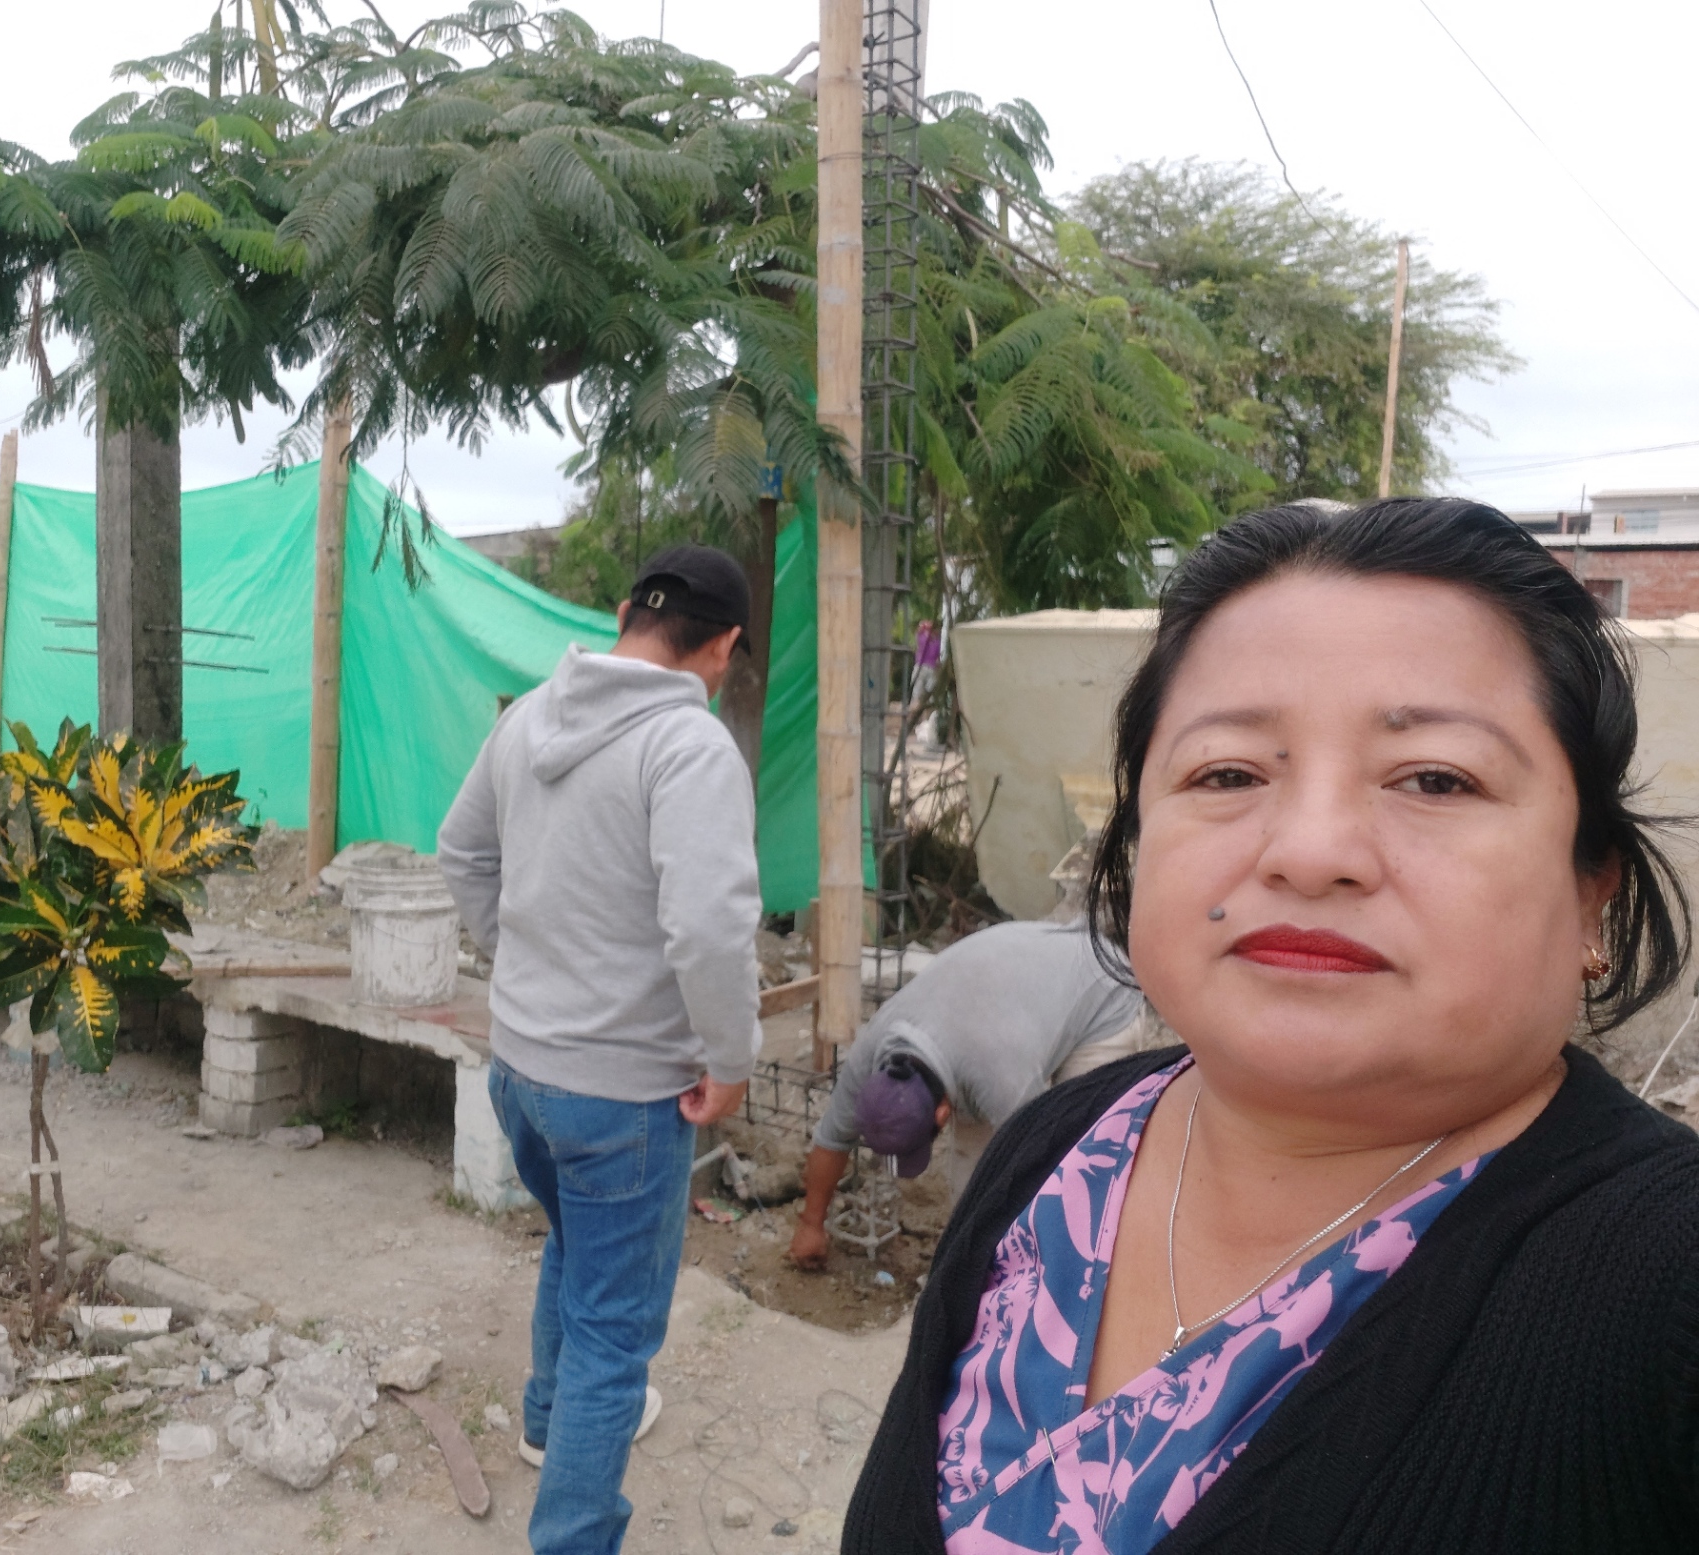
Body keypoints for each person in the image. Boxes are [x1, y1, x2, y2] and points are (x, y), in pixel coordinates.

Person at [844, 498, 1699, 1554]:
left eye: (1436, 778)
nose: (1308, 850)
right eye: (1229, 773)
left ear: (1591, 890)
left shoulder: (1665, 1288)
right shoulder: (1048, 1148)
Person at [438, 544, 764, 1555]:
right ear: (723, 645)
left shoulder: (528, 716)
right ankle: (573, 1534)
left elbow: (461, 850)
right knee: (616, 1334)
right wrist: (731, 1058)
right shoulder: (688, 744)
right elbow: (708, 928)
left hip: (520, 1069)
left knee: (575, 1246)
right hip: (624, 1093)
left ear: (624, 613)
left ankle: (545, 1420)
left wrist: (522, 967)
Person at [787, 921, 1146, 1270]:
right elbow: (831, 1140)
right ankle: (971, 1263)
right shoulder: (870, 1055)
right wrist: (811, 1225)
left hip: (1102, 990)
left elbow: (1042, 1166)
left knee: (1079, 1149)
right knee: (973, 1174)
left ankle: (1072, 1271)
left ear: (943, 1113)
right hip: (1016, 990)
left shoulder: (1000, 1080)